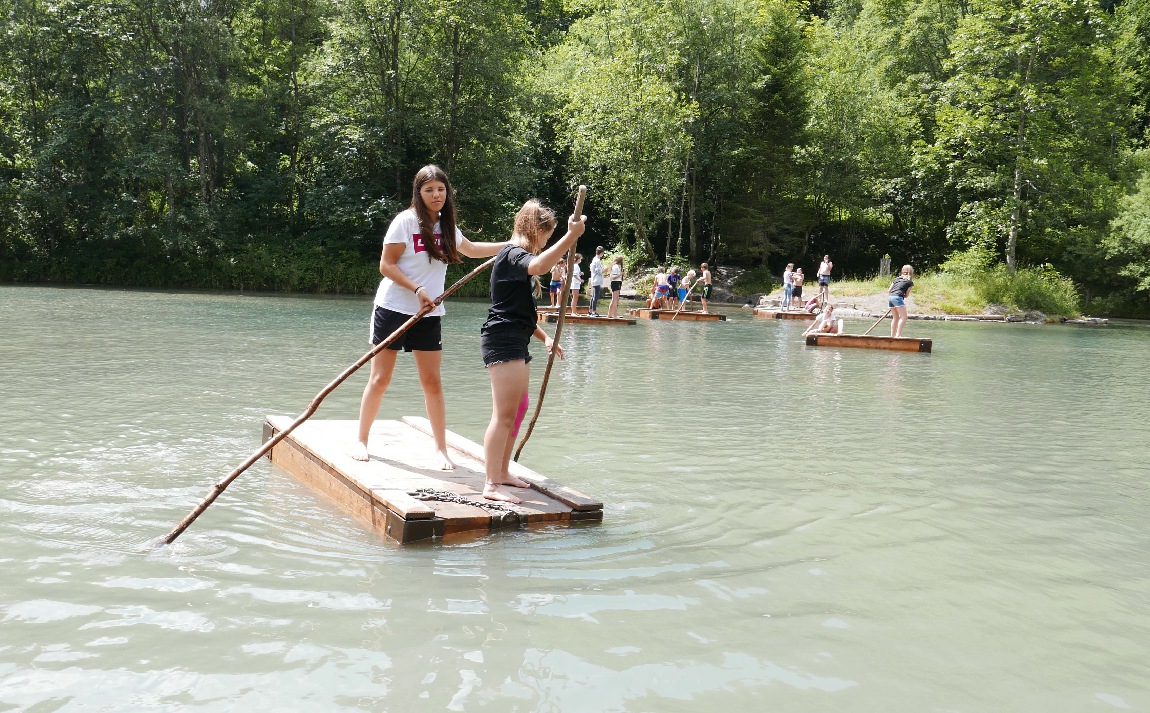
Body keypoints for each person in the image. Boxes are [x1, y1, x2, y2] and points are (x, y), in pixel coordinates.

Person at [352, 165, 508, 468]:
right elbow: (386, 265)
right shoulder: (405, 222)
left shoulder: (447, 226)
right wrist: (417, 289)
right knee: (381, 378)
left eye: (440, 189)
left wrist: (510, 246)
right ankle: (361, 439)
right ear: (419, 193)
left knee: (432, 381)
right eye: (429, 190)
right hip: (393, 309)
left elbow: (473, 249)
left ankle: (440, 449)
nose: (436, 195)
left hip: (430, 312)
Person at [480, 200, 586, 503]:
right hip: (502, 339)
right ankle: (490, 484)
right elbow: (539, 266)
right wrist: (570, 237)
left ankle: (501, 471)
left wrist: (545, 338)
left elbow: (519, 312)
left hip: (516, 337)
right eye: (547, 237)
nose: (545, 244)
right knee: (503, 415)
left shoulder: (517, 257)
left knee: (519, 408)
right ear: (537, 230)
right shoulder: (514, 253)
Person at [888, 264, 914, 338]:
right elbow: (906, 295)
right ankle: (898, 335)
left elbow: (889, 290)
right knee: (904, 317)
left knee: (895, 317)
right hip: (897, 298)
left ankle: (892, 335)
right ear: (911, 272)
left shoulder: (896, 279)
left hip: (890, 297)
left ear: (902, 271)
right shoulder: (910, 282)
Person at [588, 246, 605, 316]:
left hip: (594, 279)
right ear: (601, 253)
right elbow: (599, 272)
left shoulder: (594, 259)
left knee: (593, 296)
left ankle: (590, 311)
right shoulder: (597, 260)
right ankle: (593, 312)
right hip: (596, 280)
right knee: (596, 296)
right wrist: (605, 269)